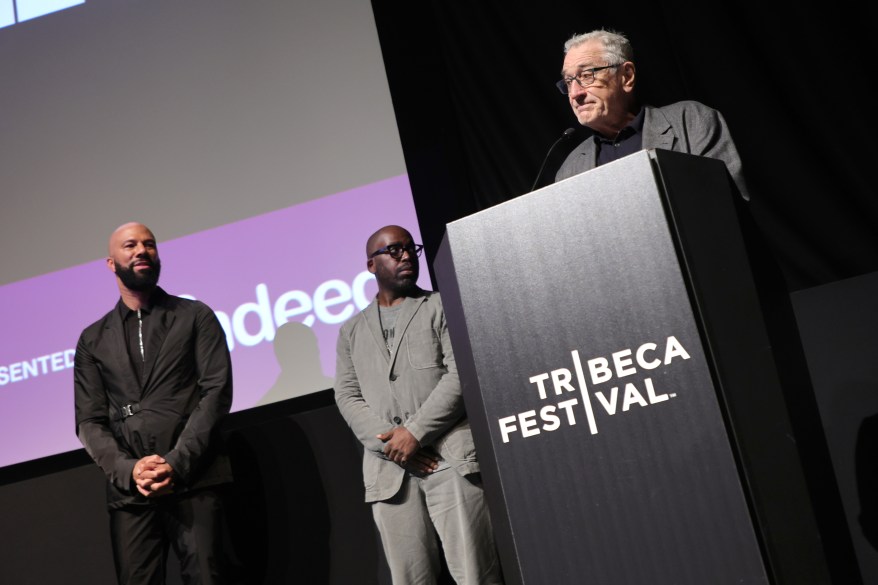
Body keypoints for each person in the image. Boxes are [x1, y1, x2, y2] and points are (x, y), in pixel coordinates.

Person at [333, 225, 504, 585]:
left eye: (412, 249)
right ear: (370, 265)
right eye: (394, 250)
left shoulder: (440, 306)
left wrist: (415, 432)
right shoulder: (351, 330)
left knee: (476, 574)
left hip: (448, 460)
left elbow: (460, 375)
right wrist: (392, 445)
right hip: (389, 476)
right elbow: (347, 395)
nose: (407, 256)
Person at [74, 221, 236, 585]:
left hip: (194, 478)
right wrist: (130, 470)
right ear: (111, 263)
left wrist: (175, 463)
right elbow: (88, 421)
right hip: (132, 492)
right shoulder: (93, 339)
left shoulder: (195, 316)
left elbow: (216, 392)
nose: (141, 251)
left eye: (149, 244)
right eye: (130, 246)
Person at [554, 28, 750, 201]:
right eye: (569, 81)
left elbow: (726, 207)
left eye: (586, 75)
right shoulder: (570, 169)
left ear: (627, 76)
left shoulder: (690, 121)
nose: (574, 93)